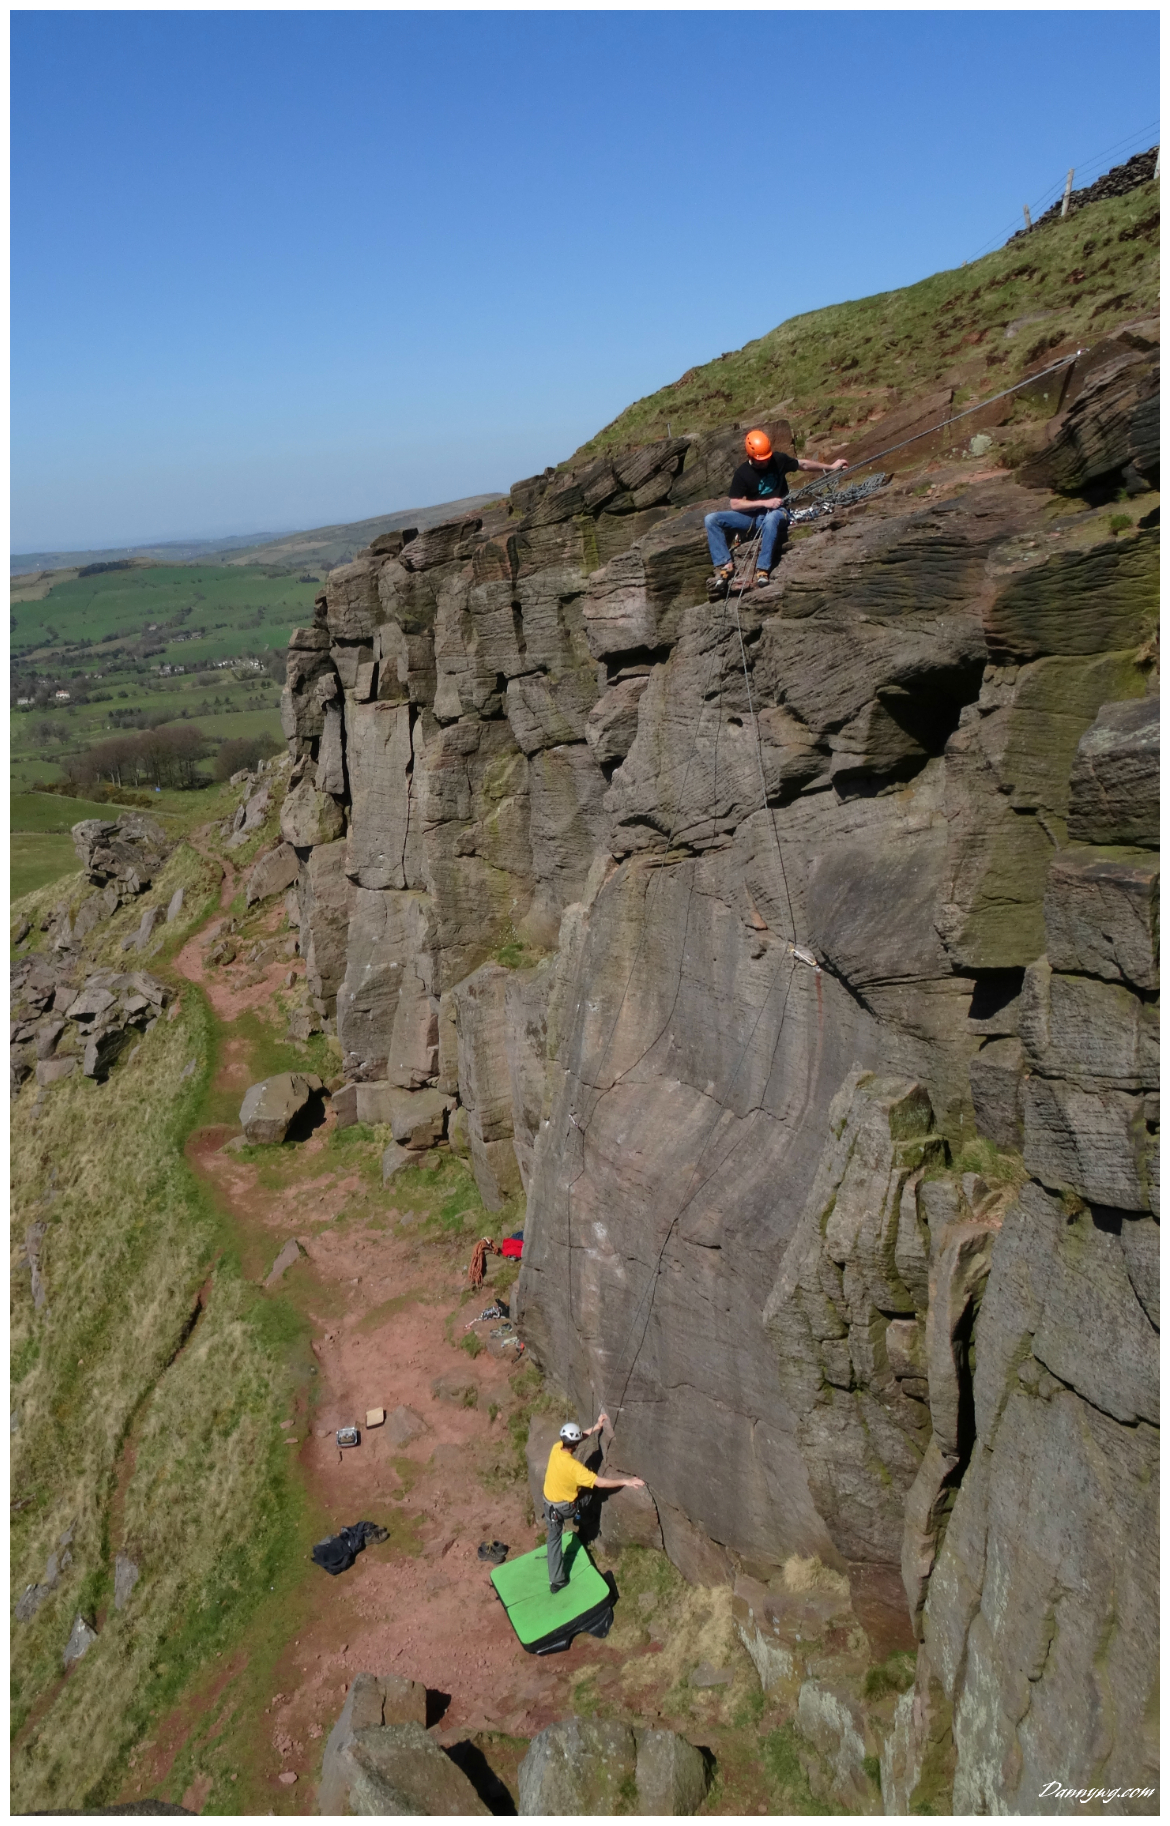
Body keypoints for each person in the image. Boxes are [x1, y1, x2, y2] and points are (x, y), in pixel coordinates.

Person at [705, 429, 848, 589]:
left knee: (771, 518)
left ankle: (762, 569)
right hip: (753, 517)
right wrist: (764, 503)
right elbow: (735, 504)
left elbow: (804, 464)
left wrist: (831, 467)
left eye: (766, 458)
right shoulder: (743, 473)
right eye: (761, 461)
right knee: (711, 519)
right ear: (750, 456)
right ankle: (726, 564)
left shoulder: (778, 460)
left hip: (780, 512)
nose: (765, 462)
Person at [542, 1411, 644, 1592]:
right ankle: (582, 1517)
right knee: (590, 1491)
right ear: (574, 1445)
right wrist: (626, 1481)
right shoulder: (574, 1468)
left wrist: (596, 1427)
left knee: (554, 1540)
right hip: (566, 1508)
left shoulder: (556, 1448)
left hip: (548, 1504)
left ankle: (556, 1581)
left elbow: (577, 1438)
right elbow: (601, 1482)